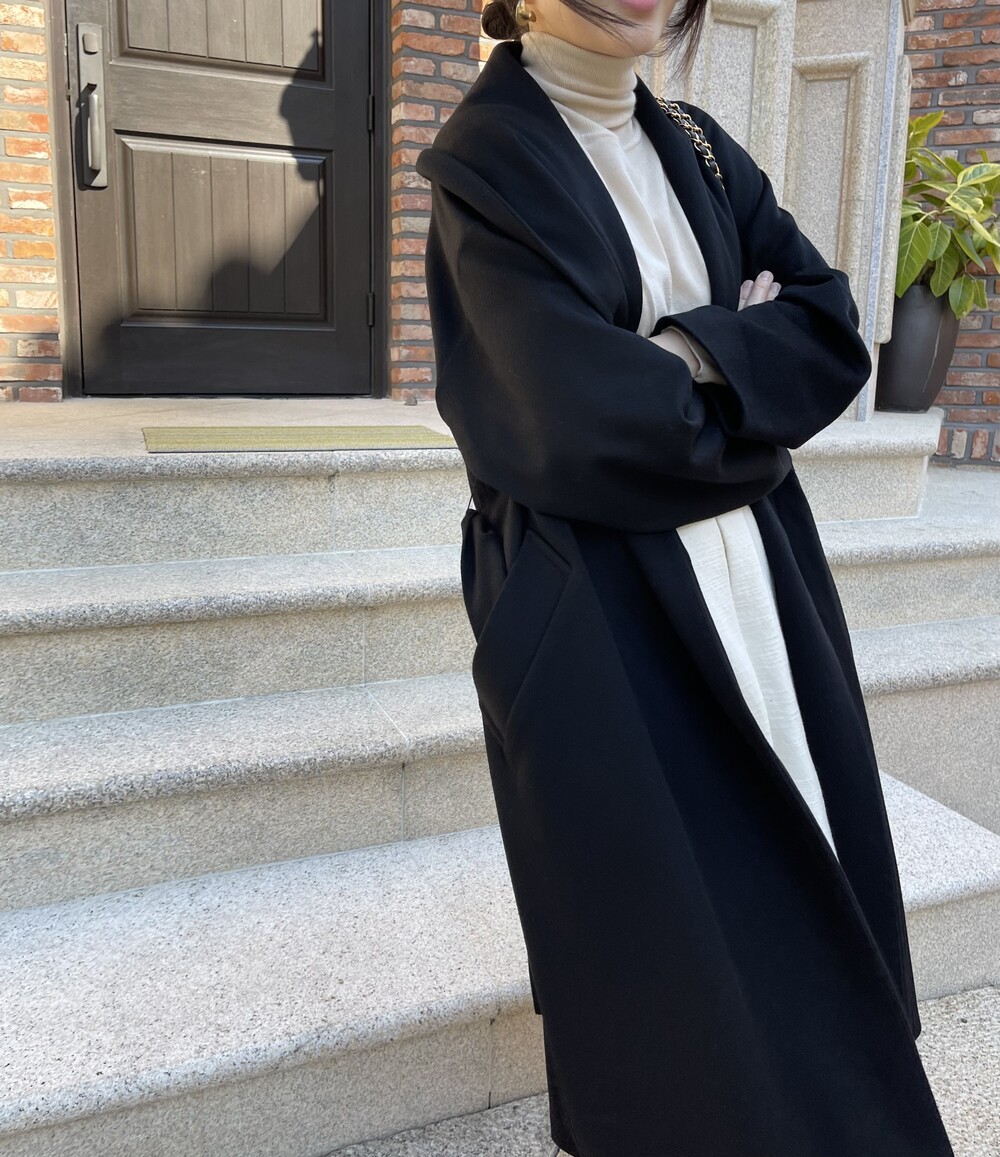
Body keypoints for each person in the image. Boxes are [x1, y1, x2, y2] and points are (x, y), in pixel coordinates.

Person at [414, 2, 956, 1154]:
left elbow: (827, 327)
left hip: (758, 581)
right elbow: (569, 419)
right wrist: (741, 373)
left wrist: (677, 352)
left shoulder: (697, 144)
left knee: (797, 872)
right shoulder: (486, 163)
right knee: (655, 943)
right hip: (596, 602)